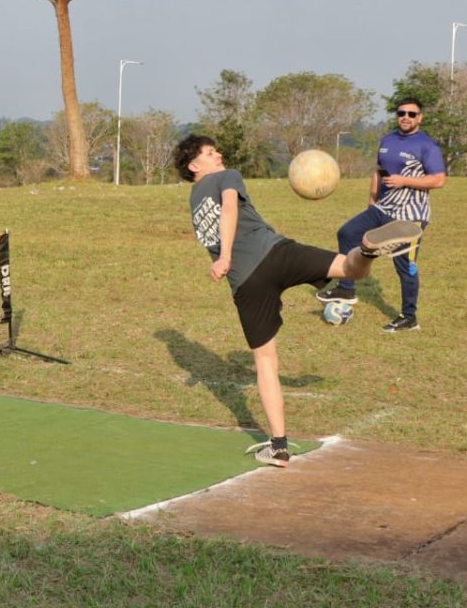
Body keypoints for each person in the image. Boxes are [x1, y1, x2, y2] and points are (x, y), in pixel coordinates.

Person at [173, 134, 422, 467]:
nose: (219, 155)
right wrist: (226, 255)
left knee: (265, 361)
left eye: (217, 150)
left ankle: (278, 446)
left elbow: (223, 221)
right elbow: (230, 208)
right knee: (351, 268)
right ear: (193, 165)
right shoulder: (226, 177)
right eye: (209, 152)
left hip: (248, 283)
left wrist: (224, 259)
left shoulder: (194, 200)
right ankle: (366, 249)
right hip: (277, 255)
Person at [316, 97, 446, 332]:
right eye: (401, 113)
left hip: (410, 215)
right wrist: (372, 201)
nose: (406, 117)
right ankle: (346, 288)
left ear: (420, 118)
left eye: (411, 114)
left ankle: (409, 317)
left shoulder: (427, 146)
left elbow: (438, 180)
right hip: (383, 208)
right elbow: (378, 172)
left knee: (404, 266)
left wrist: (404, 180)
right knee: (347, 233)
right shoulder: (388, 140)